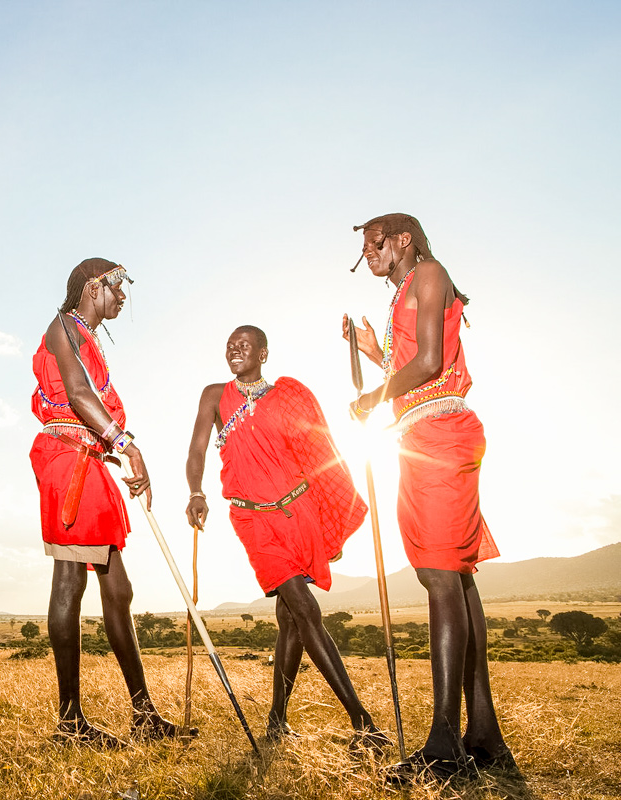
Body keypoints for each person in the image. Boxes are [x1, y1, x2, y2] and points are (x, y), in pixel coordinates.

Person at [345, 213, 516, 782]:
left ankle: (444, 747)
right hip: (418, 434)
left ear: (403, 240)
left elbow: (430, 363)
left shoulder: (429, 272)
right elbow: (413, 363)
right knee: (453, 578)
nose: (368, 254)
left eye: (375, 243)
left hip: (443, 433)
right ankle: (484, 735)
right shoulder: (404, 294)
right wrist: (374, 350)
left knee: (442, 575)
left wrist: (373, 393)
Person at [184, 325, 389, 752]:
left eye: (244, 345)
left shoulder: (288, 394)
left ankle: (277, 720)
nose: (234, 350)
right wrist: (196, 491)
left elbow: (317, 449)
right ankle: (363, 722)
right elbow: (197, 451)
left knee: (291, 622)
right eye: (229, 345)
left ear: (263, 353)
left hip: (298, 511)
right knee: (306, 610)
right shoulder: (214, 395)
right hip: (254, 520)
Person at [30, 257, 194, 747]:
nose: (123, 297)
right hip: (69, 461)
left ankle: (142, 716)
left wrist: (115, 449)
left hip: (89, 459)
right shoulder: (62, 327)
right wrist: (125, 444)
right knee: (68, 581)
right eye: (117, 288)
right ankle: (70, 723)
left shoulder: (85, 335)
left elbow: (91, 401)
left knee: (116, 589)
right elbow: (78, 393)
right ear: (91, 287)